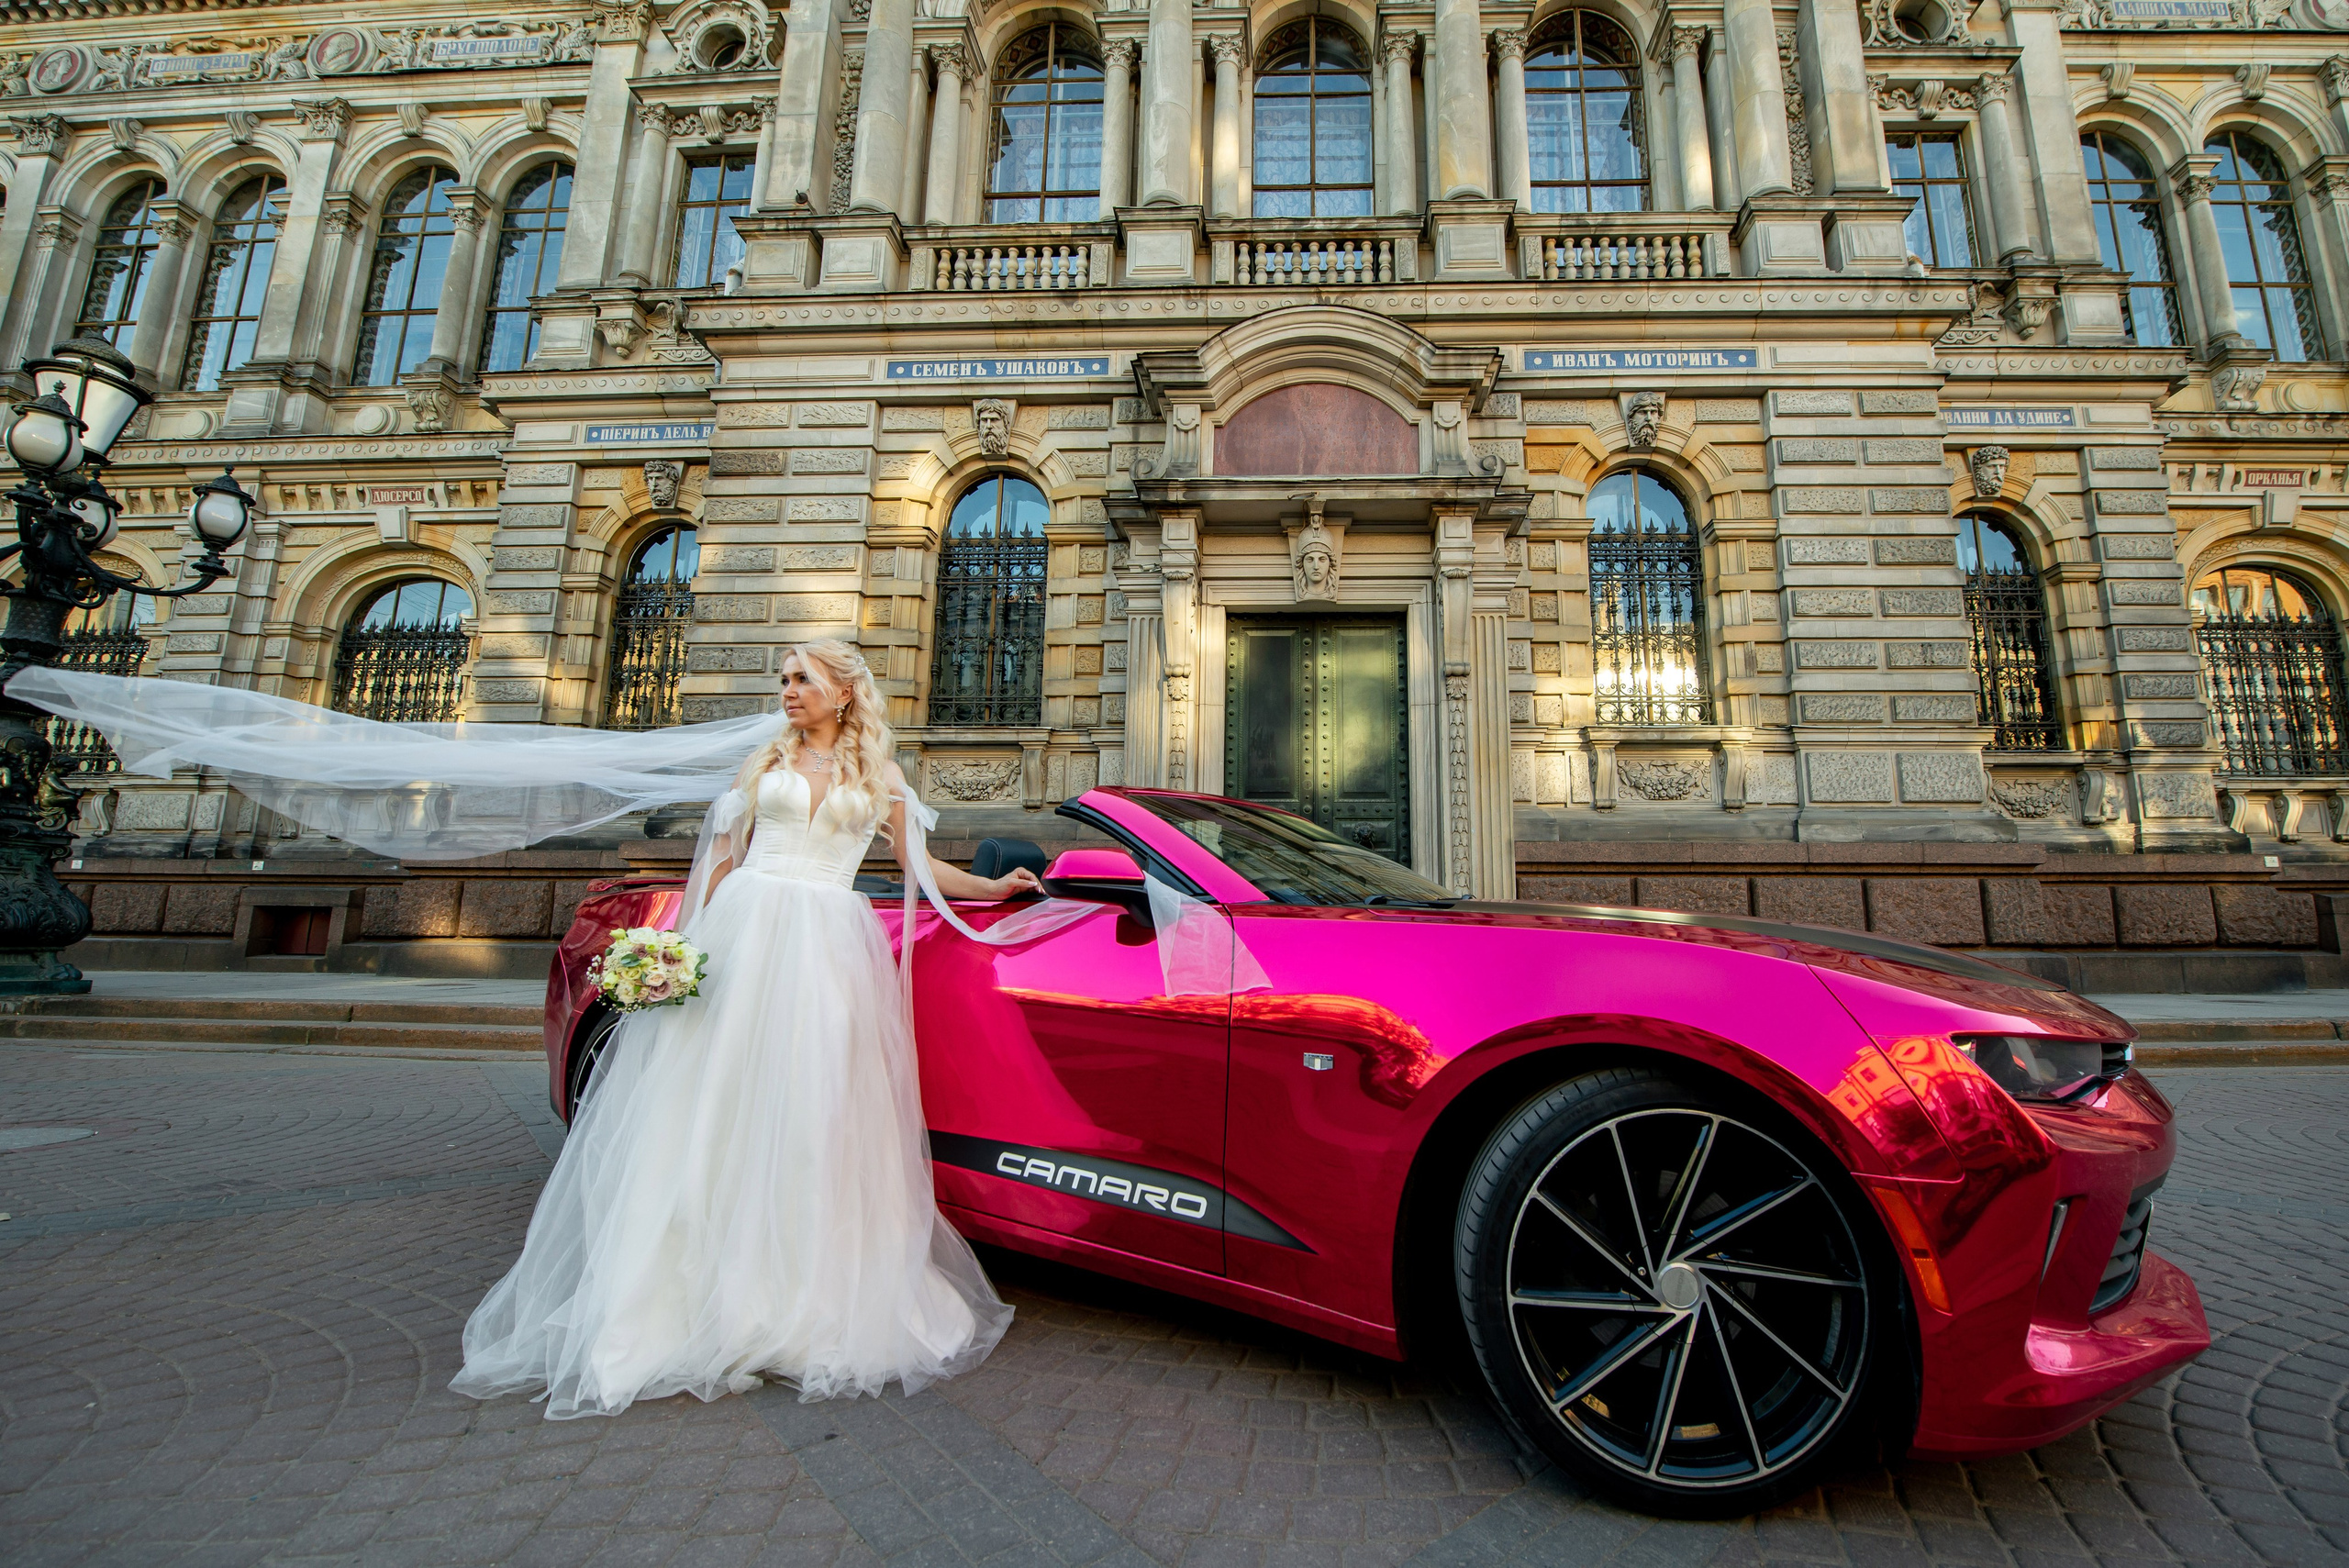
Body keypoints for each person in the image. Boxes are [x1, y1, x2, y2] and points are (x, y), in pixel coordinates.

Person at [449, 639, 1041, 1418]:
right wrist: (676, 948)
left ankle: (797, 1295)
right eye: (785, 678)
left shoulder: (883, 776)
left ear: (843, 692)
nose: (789, 690)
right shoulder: (763, 764)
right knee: (712, 1104)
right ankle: (688, 1291)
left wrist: (994, 884)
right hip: (747, 935)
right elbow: (722, 860)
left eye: (803, 679)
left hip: (828, 949)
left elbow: (917, 867)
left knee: (814, 1111)